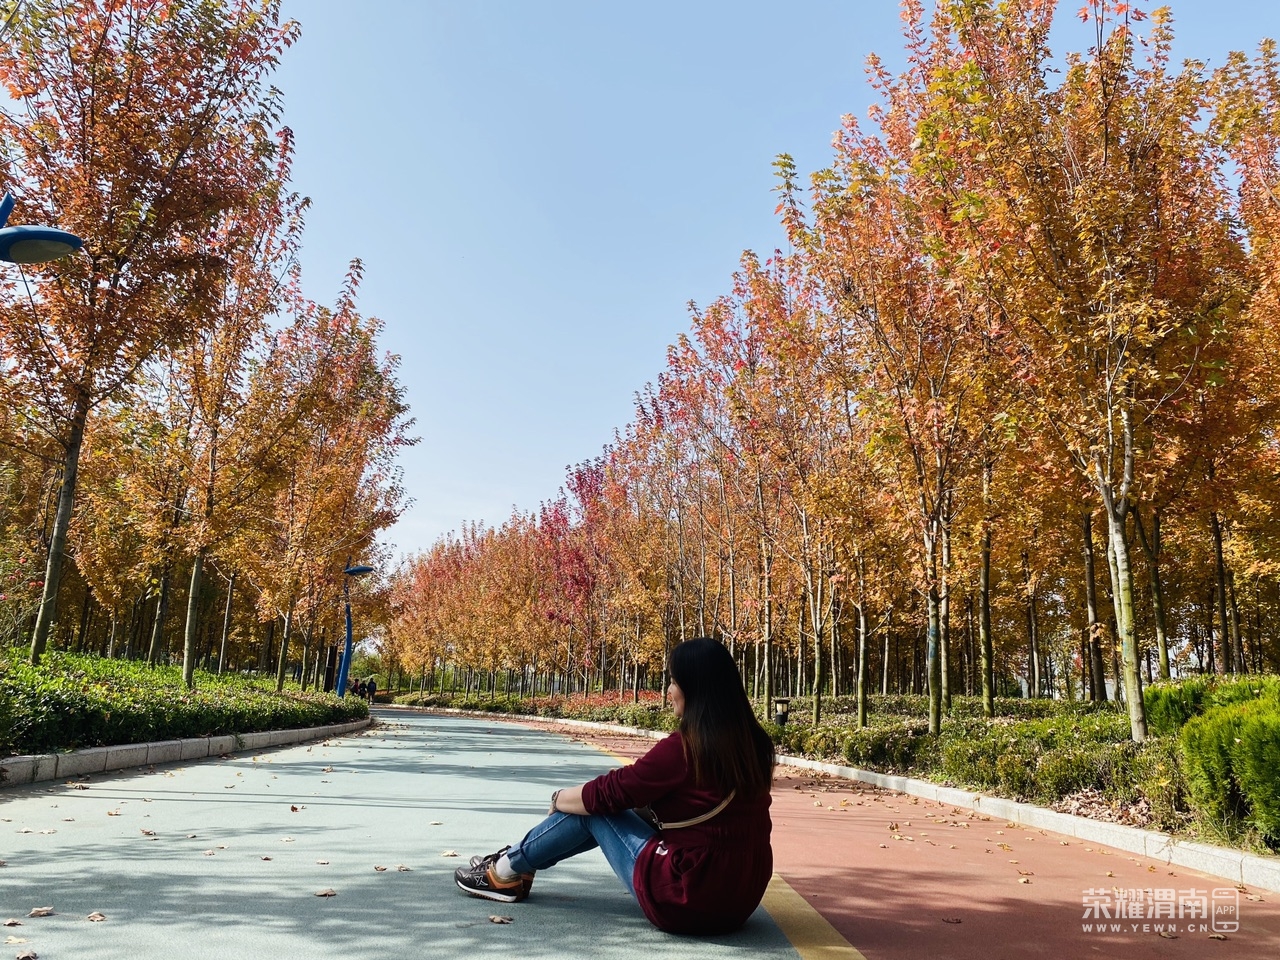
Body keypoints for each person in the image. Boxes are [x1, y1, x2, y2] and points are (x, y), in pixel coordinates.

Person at [453, 637, 775, 935]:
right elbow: (694, 807)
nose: (669, 690)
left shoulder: (686, 748)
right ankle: (517, 866)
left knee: (593, 809)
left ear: (696, 688)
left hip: (689, 897)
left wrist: (559, 798)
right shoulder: (757, 745)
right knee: (603, 803)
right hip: (740, 896)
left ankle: (503, 871)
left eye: (674, 681)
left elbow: (605, 796)